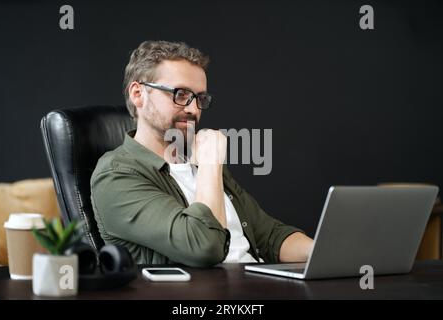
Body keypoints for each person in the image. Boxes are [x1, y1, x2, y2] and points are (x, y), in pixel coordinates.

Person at [90, 40, 313, 267]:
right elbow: (205, 246)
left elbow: (271, 236)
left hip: (259, 282)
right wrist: (210, 164)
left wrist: (326, 252)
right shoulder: (115, 176)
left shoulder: (199, 163)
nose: (193, 109)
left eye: (200, 98)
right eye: (180, 94)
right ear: (138, 94)